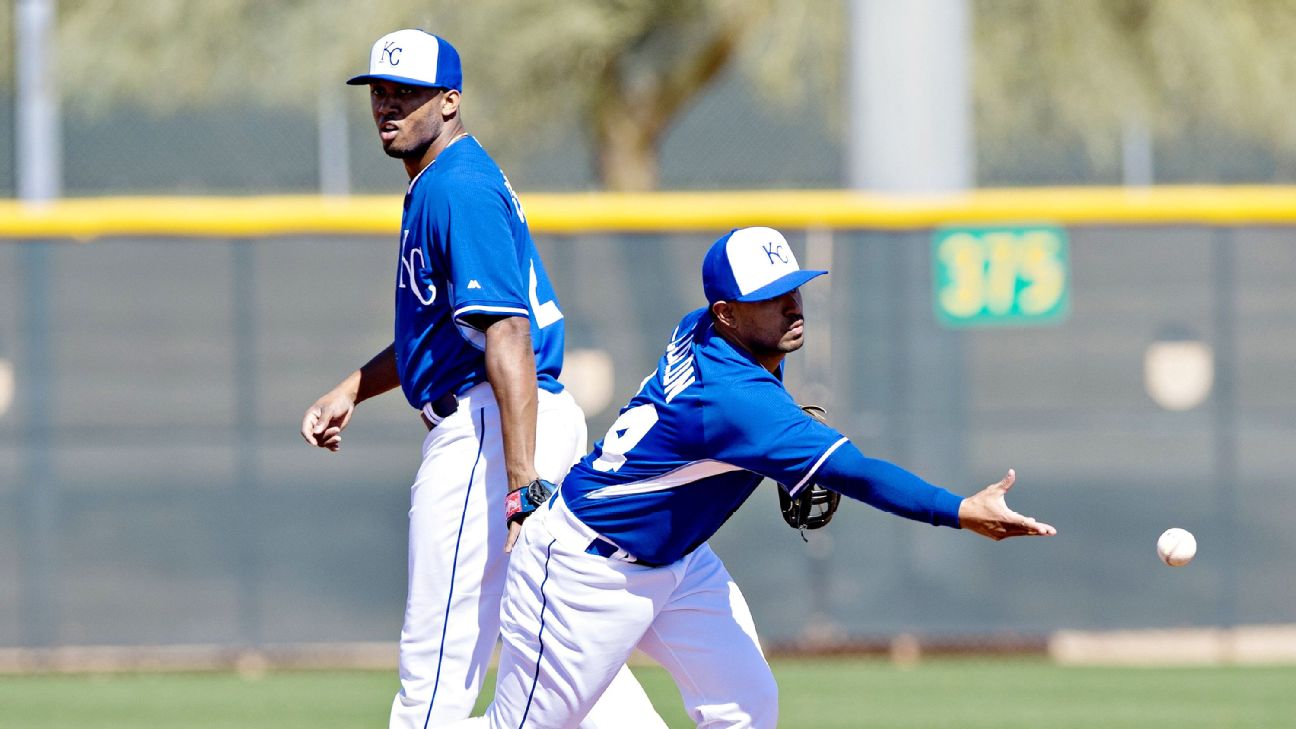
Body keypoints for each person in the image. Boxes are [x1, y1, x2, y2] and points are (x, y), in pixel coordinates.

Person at [450, 226, 1058, 729]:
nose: (793, 305)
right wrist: (958, 509)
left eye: (794, 287)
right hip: (585, 571)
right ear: (727, 312)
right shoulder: (737, 400)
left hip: (678, 560)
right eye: (772, 297)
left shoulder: (705, 328)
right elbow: (859, 473)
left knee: (745, 707)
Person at [300, 29, 665, 729]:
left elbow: (508, 334)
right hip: (511, 416)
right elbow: (446, 333)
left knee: (437, 664)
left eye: (405, 93)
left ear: (449, 101)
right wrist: (352, 384)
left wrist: (522, 480)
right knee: (557, 653)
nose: (387, 106)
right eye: (378, 91)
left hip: (491, 426)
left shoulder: (456, 187)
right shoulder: (448, 180)